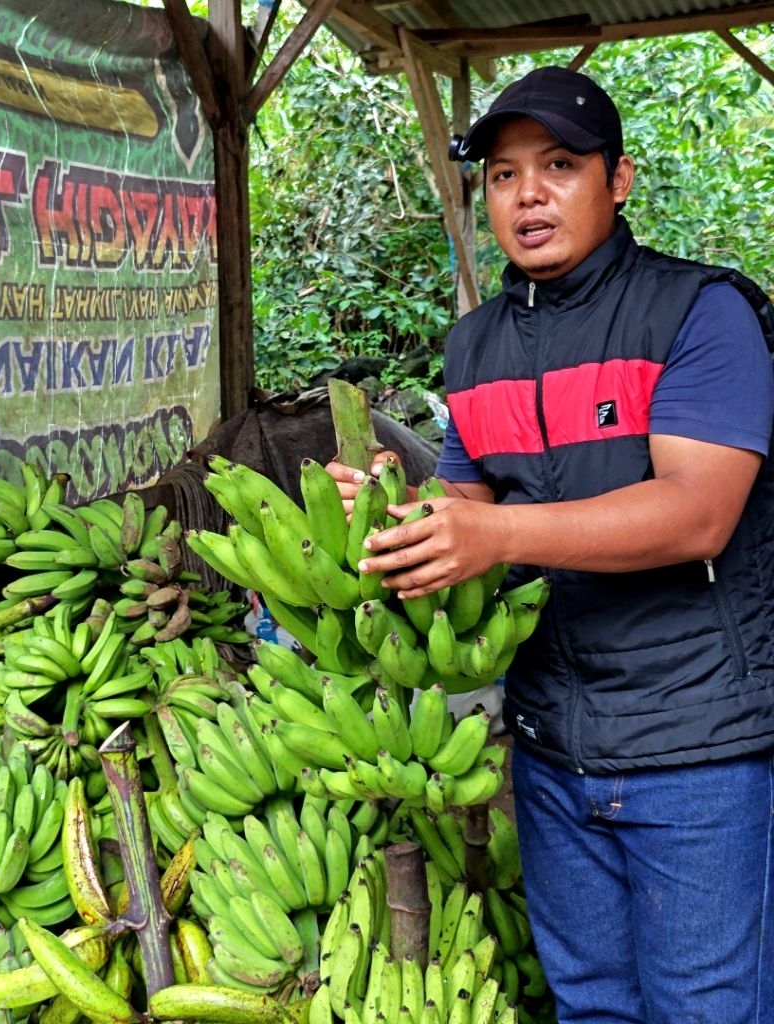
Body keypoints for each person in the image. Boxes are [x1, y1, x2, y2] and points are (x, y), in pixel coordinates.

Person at [326, 65, 774, 1024]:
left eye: (560, 164)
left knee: (705, 1008)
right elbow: (468, 501)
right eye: (500, 174)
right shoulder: (474, 347)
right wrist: (392, 506)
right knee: (593, 1007)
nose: (526, 193)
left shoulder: (701, 314)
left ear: (618, 180)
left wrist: (495, 531)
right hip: (550, 742)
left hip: (694, 747)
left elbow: (700, 512)